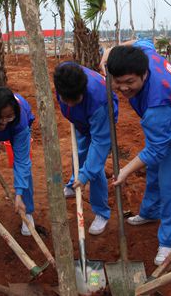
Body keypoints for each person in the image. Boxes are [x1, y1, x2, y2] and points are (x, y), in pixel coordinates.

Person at [105, 40, 171, 265]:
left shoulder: (156, 104)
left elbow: (156, 150)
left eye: (130, 82)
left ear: (144, 74)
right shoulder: (143, 55)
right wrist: (109, 53)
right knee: (154, 171)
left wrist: (124, 171)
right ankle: (151, 212)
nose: (123, 88)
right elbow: (143, 41)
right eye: (117, 82)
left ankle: (170, 241)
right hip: (169, 124)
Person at [54, 61, 118, 235]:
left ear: (83, 90)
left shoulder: (99, 101)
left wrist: (86, 175)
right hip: (81, 120)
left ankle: (101, 213)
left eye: (75, 100)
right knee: (81, 152)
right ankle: (74, 182)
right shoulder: (64, 75)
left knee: (94, 167)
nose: (71, 103)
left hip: (100, 122)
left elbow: (99, 143)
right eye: (66, 100)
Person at [0, 86, 35, 236]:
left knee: (24, 166)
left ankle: (26, 210)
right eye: (0, 118)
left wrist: (18, 194)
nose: (4, 122)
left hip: (16, 130)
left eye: (8, 116)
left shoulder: (19, 118)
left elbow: (22, 161)